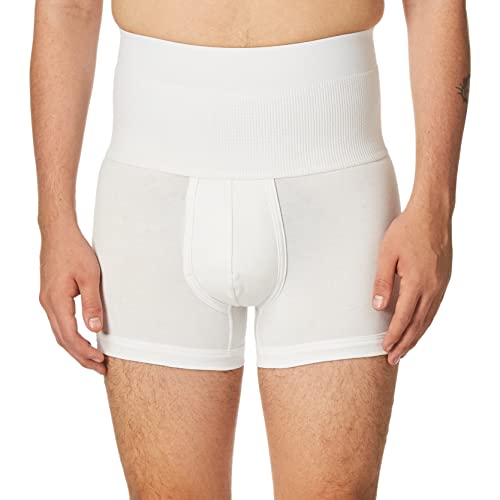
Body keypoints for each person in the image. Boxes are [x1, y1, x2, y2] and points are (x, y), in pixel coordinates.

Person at [31, 0, 470, 498]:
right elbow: (69, 7)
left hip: (338, 196)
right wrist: (54, 223)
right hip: (152, 197)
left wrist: (435, 209)